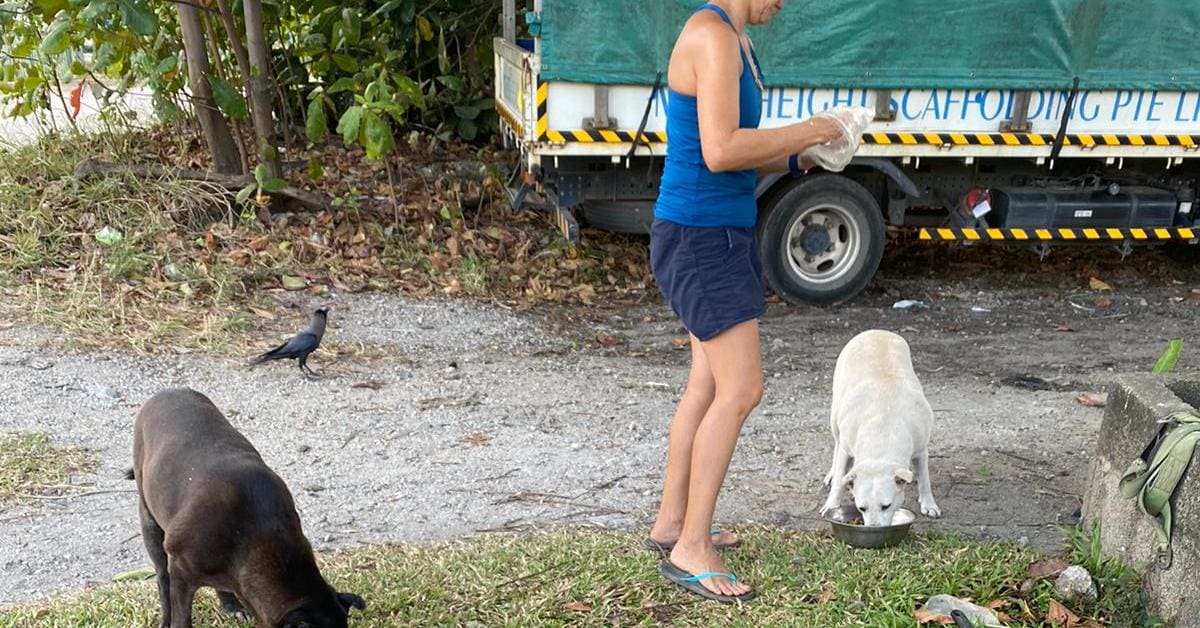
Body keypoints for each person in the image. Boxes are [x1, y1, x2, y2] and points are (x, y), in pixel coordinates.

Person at [645, 0, 856, 603]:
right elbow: (720, 150)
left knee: (707, 387)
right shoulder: (711, 37)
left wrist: (803, 155)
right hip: (702, 237)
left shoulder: (733, 39)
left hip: (710, 230)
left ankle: (670, 524)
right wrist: (816, 126)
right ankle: (692, 548)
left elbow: (741, 149)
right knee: (741, 389)